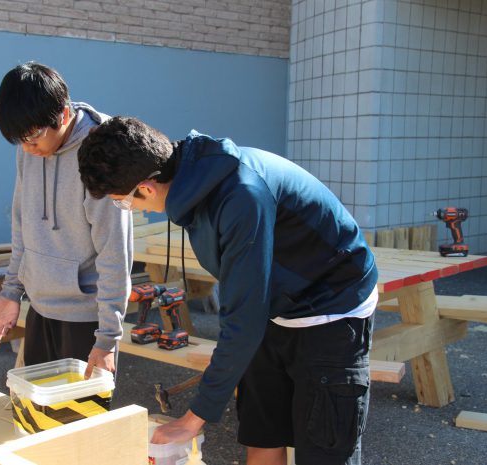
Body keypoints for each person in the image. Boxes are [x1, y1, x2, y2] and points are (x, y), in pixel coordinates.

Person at [77, 117, 378, 465]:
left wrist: (193, 419)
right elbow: (245, 305)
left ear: (146, 187)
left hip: (331, 308)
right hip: (275, 305)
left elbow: (244, 319)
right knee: (263, 432)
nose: (127, 208)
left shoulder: (241, 194)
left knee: (324, 448)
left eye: (121, 202)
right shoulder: (192, 183)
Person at [0, 63, 132, 379]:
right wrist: (11, 292)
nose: (27, 149)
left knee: (81, 422)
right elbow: (23, 225)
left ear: (63, 115)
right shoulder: (29, 147)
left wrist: (106, 341)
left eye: (33, 139)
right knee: (38, 419)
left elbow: (115, 255)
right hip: (40, 310)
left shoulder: (103, 153)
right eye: (19, 141)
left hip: (86, 321)